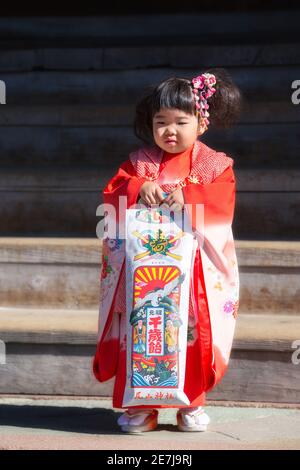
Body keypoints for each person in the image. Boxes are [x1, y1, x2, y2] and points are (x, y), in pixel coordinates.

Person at [93, 68, 241, 433]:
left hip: (191, 279)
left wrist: (191, 195)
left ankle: (190, 403)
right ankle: (142, 408)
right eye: (161, 122)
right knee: (143, 331)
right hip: (145, 277)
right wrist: (137, 187)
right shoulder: (137, 165)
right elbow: (113, 194)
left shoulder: (213, 167)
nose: (169, 131)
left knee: (188, 334)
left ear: (201, 124)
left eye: (180, 121)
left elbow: (222, 203)